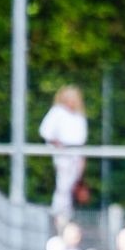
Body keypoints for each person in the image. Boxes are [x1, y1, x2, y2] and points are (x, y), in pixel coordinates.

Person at [39, 84, 88, 230]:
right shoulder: (57, 112)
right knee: (63, 186)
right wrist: (58, 145)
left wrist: (82, 160)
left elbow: (82, 141)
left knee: (70, 186)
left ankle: (65, 218)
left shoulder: (79, 116)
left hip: (76, 155)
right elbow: (46, 132)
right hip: (64, 154)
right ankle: (59, 218)